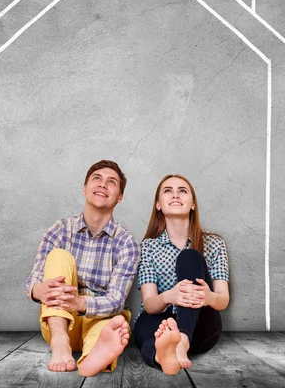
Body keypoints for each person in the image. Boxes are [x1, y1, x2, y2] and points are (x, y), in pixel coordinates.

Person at [24, 160, 140, 376]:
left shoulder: (127, 243)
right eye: (97, 178)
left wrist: (79, 302)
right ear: (85, 188)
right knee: (59, 256)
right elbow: (34, 279)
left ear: (120, 197)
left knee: (110, 326)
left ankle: (93, 357)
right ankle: (60, 343)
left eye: (111, 182)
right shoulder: (59, 230)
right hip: (58, 318)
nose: (103, 184)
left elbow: (116, 299)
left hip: (98, 317)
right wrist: (39, 290)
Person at [133, 174, 230, 375]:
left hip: (201, 325)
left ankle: (182, 342)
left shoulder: (214, 243)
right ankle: (162, 356)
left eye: (182, 191)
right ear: (158, 204)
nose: (175, 195)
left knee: (189, 257)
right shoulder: (149, 247)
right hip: (161, 318)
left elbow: (223, 300)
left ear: (193, 204)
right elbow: (150, 305)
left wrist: (209, 297)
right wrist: (171, 296)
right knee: (147, 329)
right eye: (168, 191)